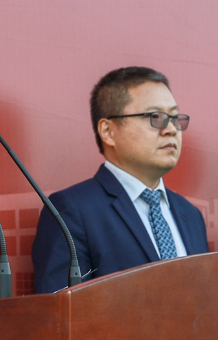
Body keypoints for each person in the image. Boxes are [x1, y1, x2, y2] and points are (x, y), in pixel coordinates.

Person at [31, 67, 207, 293]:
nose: (171, 129)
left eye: (174, 118)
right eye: (155, 117)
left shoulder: (190, 215)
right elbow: (61, 310)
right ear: (108, 131)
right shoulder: (71, 212)